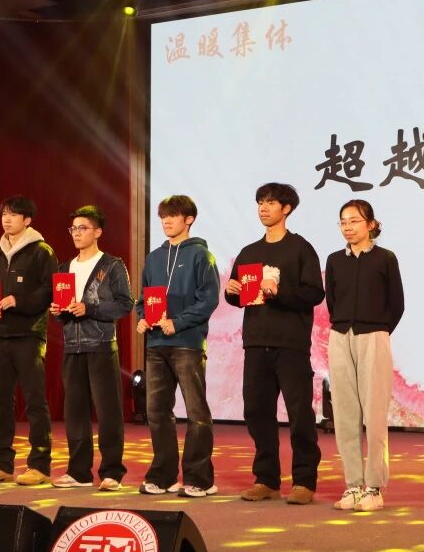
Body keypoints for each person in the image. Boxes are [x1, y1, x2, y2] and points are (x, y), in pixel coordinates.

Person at [225, 182, 325, 505]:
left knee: (299, 414)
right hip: (256, 343)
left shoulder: (301, 249)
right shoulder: (249, 252)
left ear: (287, 209)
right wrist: (231, 292)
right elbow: (239, 296)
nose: (263, 208)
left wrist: (279, 292)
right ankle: (266, 479)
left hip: (291, 344)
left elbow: (314, 293)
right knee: (257, 411)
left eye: (270, 203)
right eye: (260, 203)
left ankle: (304, 481)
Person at [135, 195, 221, 498]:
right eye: (163, 216)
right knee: (157, 412)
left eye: (173, 215)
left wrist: (178, 322)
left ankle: (200, 479)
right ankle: (163, 476)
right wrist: (143, 318)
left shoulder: (201, 255)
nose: (166, 221)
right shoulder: (154, 258)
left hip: (187, 343)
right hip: (156, 343)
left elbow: (208, 300)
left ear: (189, 219)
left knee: (196, 412)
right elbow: (144, 299)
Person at [324, 199, 405, 512]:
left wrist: (378, 330)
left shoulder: (385, 258)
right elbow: (332, 300)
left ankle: (374, 488)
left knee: (374, 415)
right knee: (345, 415)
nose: (348, 227)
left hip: (374, 336)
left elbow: (396, 304)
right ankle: (353, 486)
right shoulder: (335, 260)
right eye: (343, 222)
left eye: (354, 221)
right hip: (340, 336)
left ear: (371, 224)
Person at [0, 195, 56, 486]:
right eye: (4, 214)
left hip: (29, 335)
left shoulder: (42, 251)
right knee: (0, 401)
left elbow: (49, 291)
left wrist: (18, 301)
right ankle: (1, 463)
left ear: (27, 220)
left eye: (13, 214)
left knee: (35, 401)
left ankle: (40, 465)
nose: (7, 219)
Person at [49, 205, 133, 491]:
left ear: (97, 232)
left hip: (101, 345)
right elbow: (64, 313)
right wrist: (58, 311)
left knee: (108, 412)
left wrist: (90, 308)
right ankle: (79, 472)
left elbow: (125, 304)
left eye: (82, 228)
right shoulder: (64, 268)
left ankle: (112, 472)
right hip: (72, 346)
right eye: (73, 228)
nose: (76, 233)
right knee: (75, 412)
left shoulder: (111, 265)